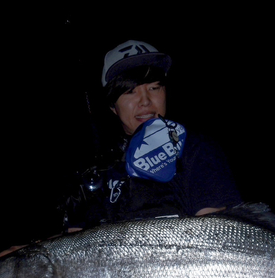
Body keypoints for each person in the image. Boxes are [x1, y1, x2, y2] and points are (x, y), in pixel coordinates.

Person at [62, 40, 243, 232]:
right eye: (130, 91)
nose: (145, 101)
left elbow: (217, 232)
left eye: (154, 88)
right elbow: (74, 240)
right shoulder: (94, 173)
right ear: (112, 106)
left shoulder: (197, 150)